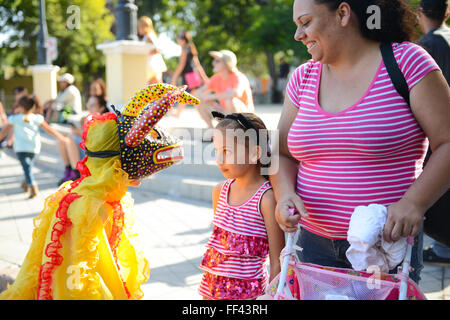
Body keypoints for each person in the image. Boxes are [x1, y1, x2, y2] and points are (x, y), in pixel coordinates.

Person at [271, 0, 450, 285]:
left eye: (305, 22)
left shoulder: (407, 62)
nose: (298, 35)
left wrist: (415, 202)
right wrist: (284, 194)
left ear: (343, 13)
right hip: (311, 245)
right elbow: (280, 153)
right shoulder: (303, 77)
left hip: (384, 248)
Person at [0, 83, 200, 300]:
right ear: (115, 166)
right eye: (137, 170)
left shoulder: (93, 193)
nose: (141, 178)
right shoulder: (90, 206)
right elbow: (83, 277)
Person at [198, 112, 284, 300]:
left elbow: (277, 260)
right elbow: (219, 251)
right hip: (212, 291)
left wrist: (271, 296)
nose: (219, 159)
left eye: (227, 151)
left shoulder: (266, 199)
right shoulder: (219, 192)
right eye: (217, 151)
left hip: (250, 296)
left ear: (255, 153)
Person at [416, 0, 450, 265]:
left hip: (434, 124)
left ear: (420, 14)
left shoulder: (425, 46)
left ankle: (442, 249)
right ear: (447, 13)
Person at [0, 95, 69, 198]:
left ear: (21, 107)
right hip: (34, 148)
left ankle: (32, 186)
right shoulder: (37, 118)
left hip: (20, 148)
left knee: (26, 166)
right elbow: (49, 130)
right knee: (28, 166)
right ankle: (25, 182)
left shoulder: (14, 119)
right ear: (32, 107)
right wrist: (61, 137)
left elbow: (4, 131)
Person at [195, 50, 255, 129]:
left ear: (227, 62)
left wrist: (211, 97)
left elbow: (236, 93)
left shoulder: (239, 76)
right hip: (227, 113)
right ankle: (212, 130)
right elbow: (199, 91)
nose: (213, 63)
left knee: (230, 100)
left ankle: (233, 131)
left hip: (245, 118)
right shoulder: (216, 77)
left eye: (217, 61)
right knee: (198, 100)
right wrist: (204, 98)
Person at [57, 95, 108, 185]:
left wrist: (78, 132)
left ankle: (75, 172)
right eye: (88, 104)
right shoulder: (87, 119)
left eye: (92, 105)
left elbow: (96, 143)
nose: (89, 107)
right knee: (62, 138)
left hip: (94, 153)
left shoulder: (103, 122)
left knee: (70, 138)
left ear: (101, 108)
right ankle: (68, 169)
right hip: (85, 149)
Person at [171, 31, 203, 117]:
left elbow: (181, 65)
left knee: (185, 95)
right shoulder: (191, 49)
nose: (178, 40)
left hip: (188, 76)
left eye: (179, 39)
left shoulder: (184, 49)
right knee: (193, 96)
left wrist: (174, 77)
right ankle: (178, 114)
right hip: (194, 75)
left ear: (183, 40)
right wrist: (204, 77)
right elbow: (197, 64)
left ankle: (178, 114)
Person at [138, 16, 167, 84]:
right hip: (151, 66)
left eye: (139, 27)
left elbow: (157, 49)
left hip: (153, 66)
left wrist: (146, 54)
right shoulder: (147, 36)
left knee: (157, 87)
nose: (138, 29)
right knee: (155, 87)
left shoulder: (149, 36)